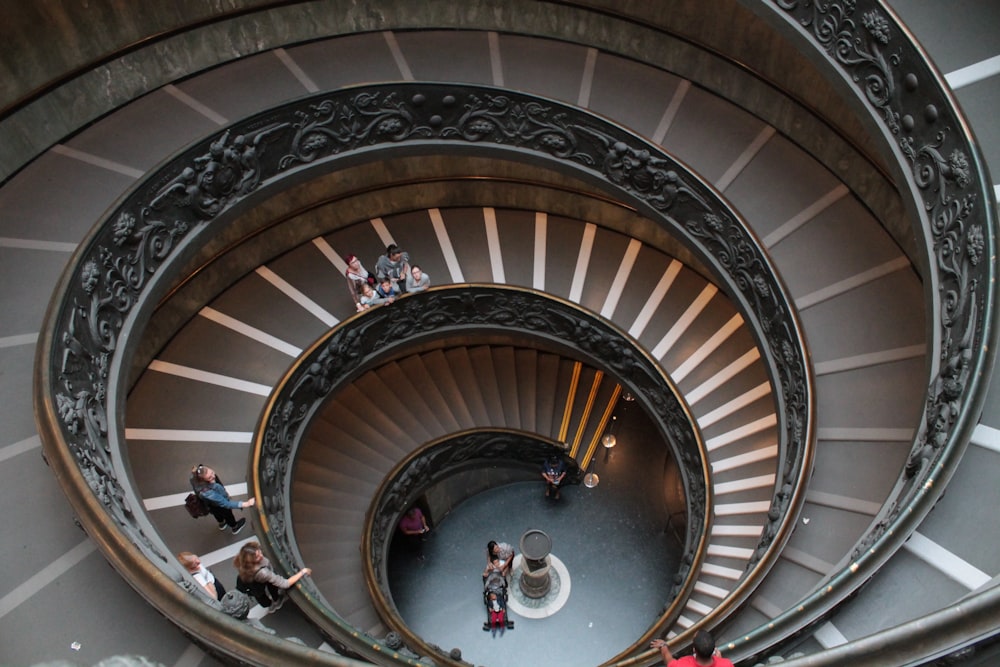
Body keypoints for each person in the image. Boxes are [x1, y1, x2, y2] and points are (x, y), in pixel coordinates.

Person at [233, 541, 311, 613]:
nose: (261, 555)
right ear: (252, 562)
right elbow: (285, 583)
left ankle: (272, 602)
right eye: (257, 557)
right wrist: (302, 572)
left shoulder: (243, 561)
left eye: (259, 551)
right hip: (257, 585)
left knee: (264, 592)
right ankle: (274, 602)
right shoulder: (263, 573)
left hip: (253, 583)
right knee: (264, 593)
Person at [190, 464, 254, 534]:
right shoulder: (209, 491)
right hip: (218, 505)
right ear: (203, 480)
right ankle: (235, 527)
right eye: (209, 477)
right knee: (228, 515)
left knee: (217, 514)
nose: (213, 476)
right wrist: (246, 504)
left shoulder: (194, 479)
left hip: (209, 505)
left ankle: (222, 523)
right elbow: (226, 504)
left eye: (212, 472)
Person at [650, 630, 734, 667]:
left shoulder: (682, 664)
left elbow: (669, 661)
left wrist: (663, 646)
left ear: (694, 650)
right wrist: (719, 660)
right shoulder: (727, 664)